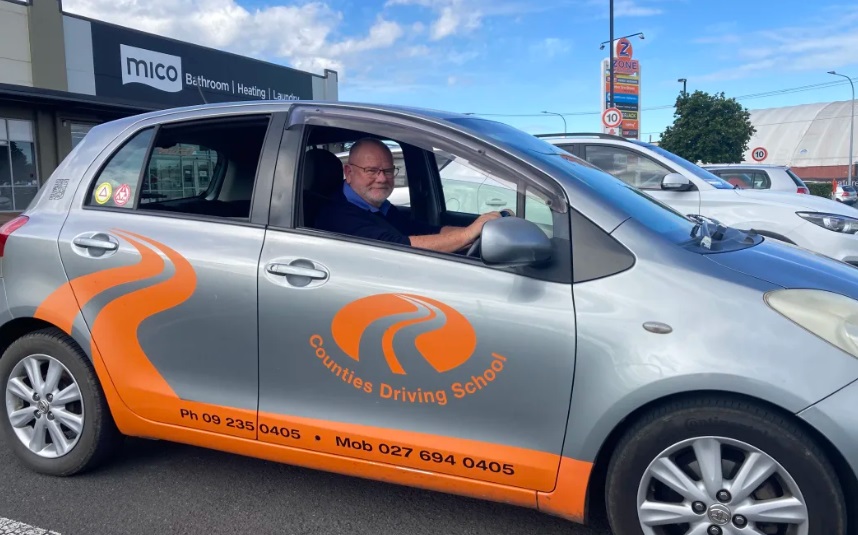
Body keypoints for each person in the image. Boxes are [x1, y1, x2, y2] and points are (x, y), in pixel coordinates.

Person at [314, 138, 508, 254]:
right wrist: (467, 235)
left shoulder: (376, 206)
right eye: (371, 170)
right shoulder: (337, 215)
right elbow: (397, 246)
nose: (382, 178)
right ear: (348, 172)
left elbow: (419, 230)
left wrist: (482, 229)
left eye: (388, 170)